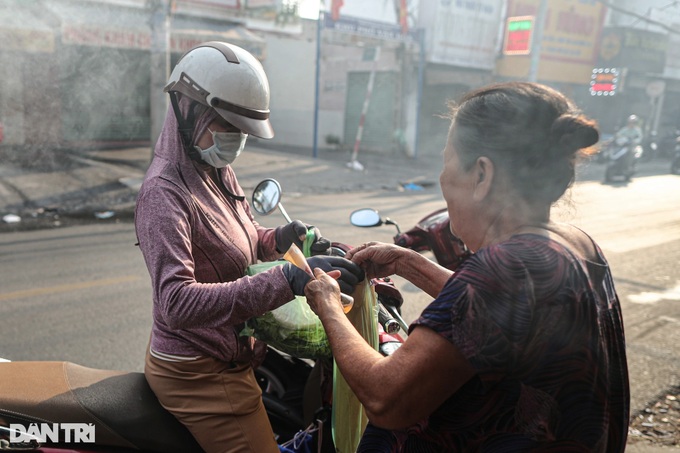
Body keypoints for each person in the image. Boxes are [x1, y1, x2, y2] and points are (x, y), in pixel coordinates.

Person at [304, 82, 630, 452]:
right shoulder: (575, 243)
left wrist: (329, 306)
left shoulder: (503, 267)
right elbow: (498, 313)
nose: (443, 179)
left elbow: (386, 399)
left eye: (447, 163)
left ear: (481, 175)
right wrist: (408, 263)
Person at [134, 41, 363, 453]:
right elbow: (175, 302)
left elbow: (243, 236)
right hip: (200, 373)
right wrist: (285, 279)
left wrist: (278, 239)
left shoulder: (214, 170)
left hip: (234, 356)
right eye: (228, 124)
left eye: (242, 130)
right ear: (188, 110)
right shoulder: (163, 194)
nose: (236, 139)